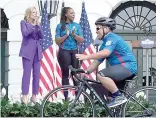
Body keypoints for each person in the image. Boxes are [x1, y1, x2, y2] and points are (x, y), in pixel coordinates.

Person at [76, 17, 137, 108]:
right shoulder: (104, 44)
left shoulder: (112, 38)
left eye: (98, 28)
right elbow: (97, 62)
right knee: (110, 98)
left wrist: (87, 56)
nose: (96, 31)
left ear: (106, 29)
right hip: (121, 70)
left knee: (101, 75)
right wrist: (86, 72)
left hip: (127, 67)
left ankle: (118, 96)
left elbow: (106, 53)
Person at [55, 7, 84, 98]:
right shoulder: (60, 26)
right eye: (71, 13)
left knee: (75, 74)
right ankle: (66, 98)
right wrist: (66, 35)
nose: (73, 15)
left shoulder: (77, 25)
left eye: (74, 13)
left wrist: (74, 35)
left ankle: (77, 97)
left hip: (74, 50)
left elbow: (81, 40)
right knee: (65, 74)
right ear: (66, 14)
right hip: (64, 51)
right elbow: (57, 41)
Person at [19, 7, 43, 104]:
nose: (35, 14)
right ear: (29, 13)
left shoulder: (37, 24)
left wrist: (38, 25)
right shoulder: (23, 22)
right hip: (27, 51)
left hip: (37, 51)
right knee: (27, 74)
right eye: (33, 12)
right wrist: (33, 25)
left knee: (36, 74)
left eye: (36, 12)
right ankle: (25, 96)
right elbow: (25, 33)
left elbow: (41, 36)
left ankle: (34, 96)